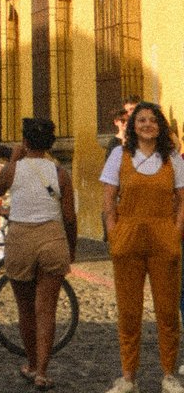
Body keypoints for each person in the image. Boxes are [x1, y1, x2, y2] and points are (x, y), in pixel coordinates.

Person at [99, 101, 184, 393]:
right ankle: (128, 377)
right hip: (128, 238)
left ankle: (169, 375)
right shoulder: (118, 156)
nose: (147, 125)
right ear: (133, 125)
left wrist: (175, 233)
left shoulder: (172, 158)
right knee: (129, 311)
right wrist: (114, 234)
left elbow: (182, 200)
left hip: (164, 237)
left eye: (153, 120)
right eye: (142, 120)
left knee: (168, 310)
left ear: (160, 127)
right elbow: (109, 199)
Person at [0, 119, 76, 389]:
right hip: (52, 238)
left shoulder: (14, 170)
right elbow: (70, 217)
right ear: (50, 144)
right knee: (46, 310)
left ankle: (30, 363)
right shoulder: (60, 173)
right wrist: (71, 248)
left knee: (26, 310)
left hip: (20, 238)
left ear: (25, 142)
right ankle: (42, 372)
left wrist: (14, 159)